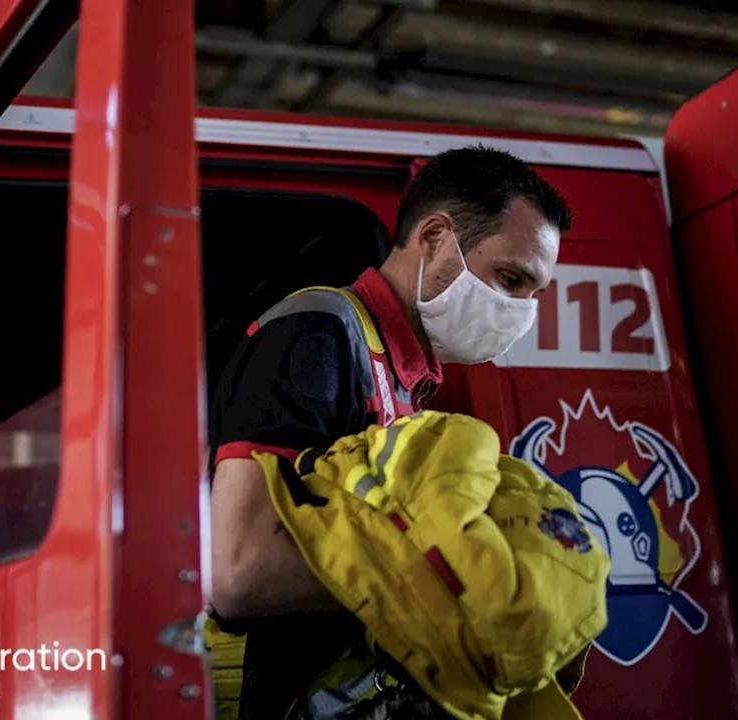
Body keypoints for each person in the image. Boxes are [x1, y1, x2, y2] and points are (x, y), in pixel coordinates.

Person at [205, 144, 573, 717]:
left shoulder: (406, 380)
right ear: (433, 237)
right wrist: (457, 581)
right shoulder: (320, 334)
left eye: (534, 293)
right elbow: (240, 573)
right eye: (510, 278)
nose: (522, 311)